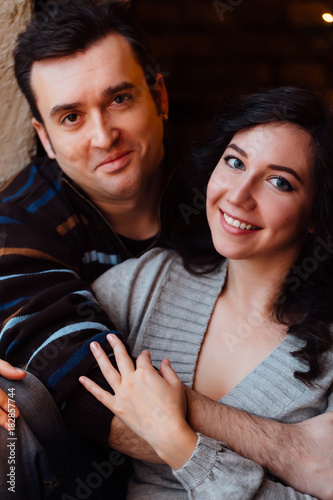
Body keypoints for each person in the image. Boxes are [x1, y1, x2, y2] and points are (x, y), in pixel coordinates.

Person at [0, 0, 332, 496]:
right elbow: (82, 387)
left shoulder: (213, 186)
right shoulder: (19, 230)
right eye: (71, 117)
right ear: (45, 139)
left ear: (159, 96)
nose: (103, 136)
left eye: (119, 100)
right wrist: (290, 451)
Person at [83, 87, 333, 499]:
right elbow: (43, 344)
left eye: (279, 182)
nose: (237, 196)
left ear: (315, 213)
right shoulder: (155, 280)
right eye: (235, 162)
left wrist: (185, 449)